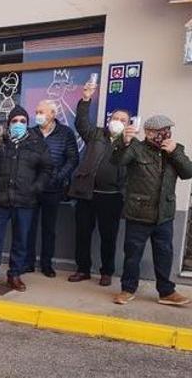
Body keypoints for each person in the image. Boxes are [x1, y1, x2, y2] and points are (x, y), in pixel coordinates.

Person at [111, 115, 192, 306]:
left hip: (164, 215)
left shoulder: (175, 148)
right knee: (132, 255)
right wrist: (123, 142)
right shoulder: (136, 148)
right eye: (160, 131)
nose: (165, 134)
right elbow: (118, 161)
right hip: (138, 212)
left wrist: (174, 153)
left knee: (164, 254)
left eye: (167, 130)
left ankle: (167, 292)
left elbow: (188, 172)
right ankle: (127, 289)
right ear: (148, 133)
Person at [0, 106, 52, 291]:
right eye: (15, 121)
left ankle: (15, 275)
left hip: (25, 200)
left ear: (27, 124)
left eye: (23, 121)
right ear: (9, 123)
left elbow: (47, 169)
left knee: (21, 240)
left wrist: (36, 188)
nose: (18, 124)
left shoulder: (37, 143)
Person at [67, 84, 128, 286]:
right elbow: (81, 122)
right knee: (82, 234)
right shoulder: (96, 135)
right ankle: (83, 269)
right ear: (109, 120)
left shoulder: (129, 144)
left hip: (111, 197)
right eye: (115, 118)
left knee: (108, 238)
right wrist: (85, 100)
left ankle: (106, 272)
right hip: (87, 193)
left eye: (122, 120)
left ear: (128, 124)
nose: (117, 122)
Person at [26, 100, 79, 277]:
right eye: (37, 111)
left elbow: (73, 159)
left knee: (49, 228)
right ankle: (28, 262)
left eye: (42, 112)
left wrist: (58, 177)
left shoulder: (65, 133)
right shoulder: (30, 132)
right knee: (29, 226)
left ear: (53, 114)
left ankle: (46, 264)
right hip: (32, 188)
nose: (38, 115)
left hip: (53, 188)